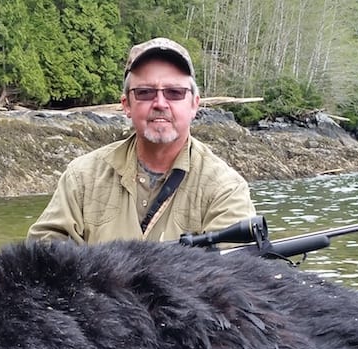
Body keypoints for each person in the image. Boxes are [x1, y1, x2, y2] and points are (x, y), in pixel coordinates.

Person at [27, 38, 255, 244]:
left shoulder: (225, 189)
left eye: (174, 92)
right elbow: (42, 252)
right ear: (126, 104)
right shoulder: (82, 177)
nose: (160, 103)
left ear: (195, 104)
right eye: (145, 92)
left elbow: (234, 280)